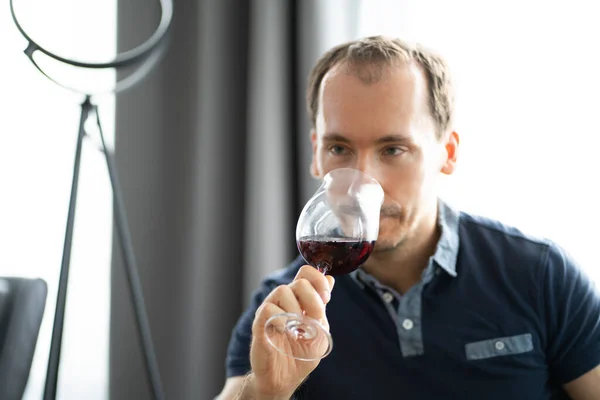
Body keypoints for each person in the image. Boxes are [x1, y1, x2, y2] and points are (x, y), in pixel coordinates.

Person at [215, 35, 600, 399]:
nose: (364, 183)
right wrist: (266, 392)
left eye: (393, 150)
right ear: (316, 153)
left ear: (447, 152)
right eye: (339, 148)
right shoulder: (286, 306)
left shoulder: (540, 276)